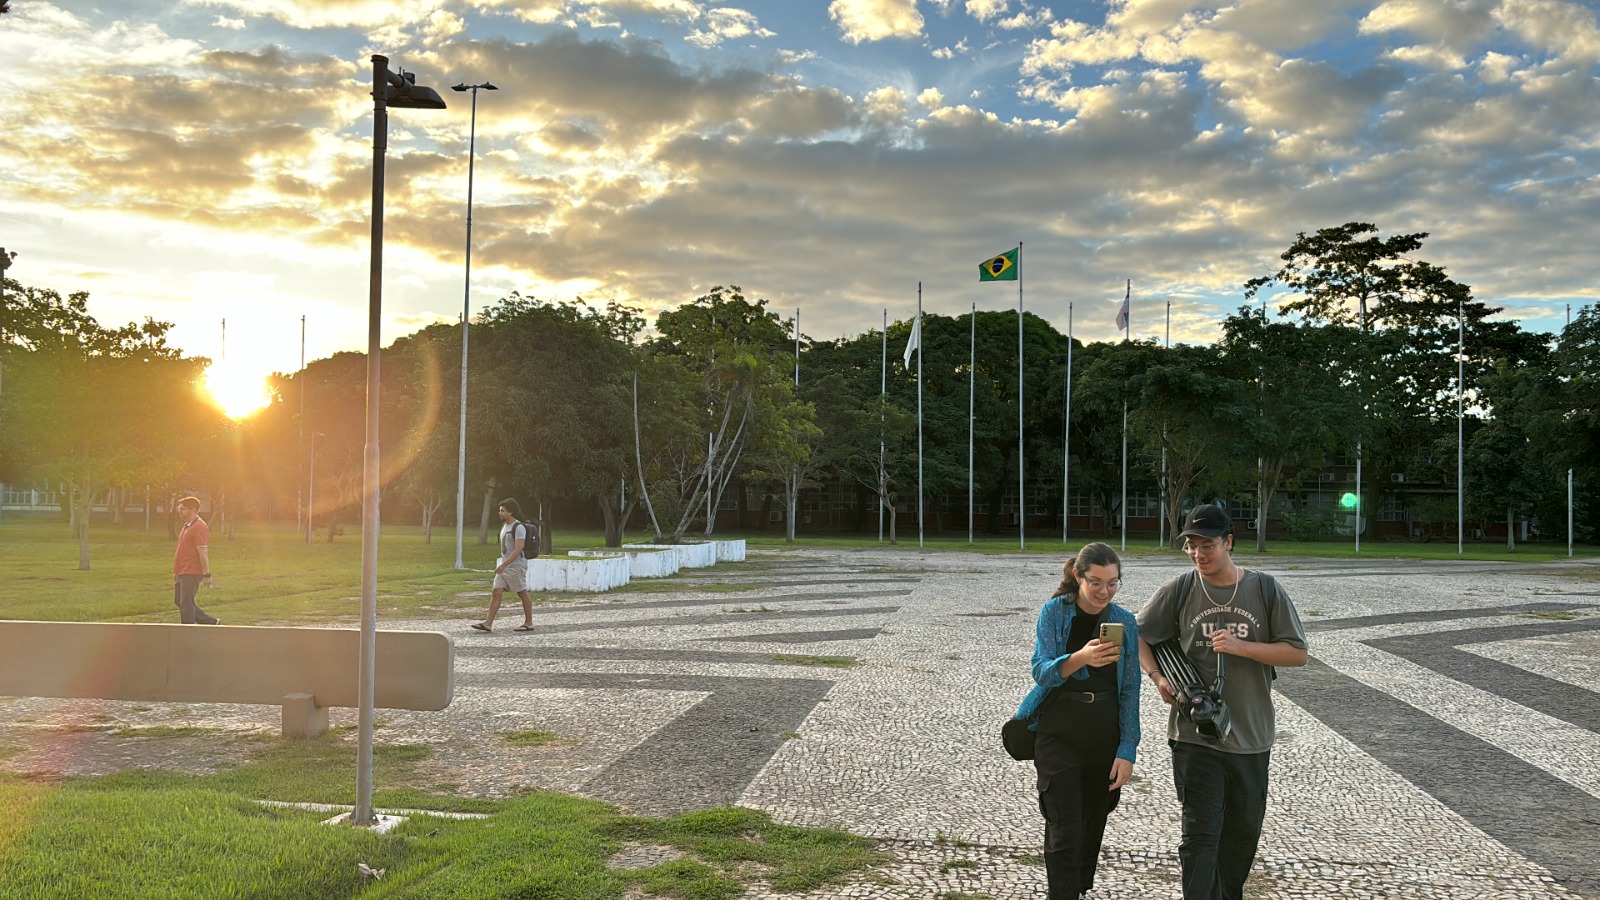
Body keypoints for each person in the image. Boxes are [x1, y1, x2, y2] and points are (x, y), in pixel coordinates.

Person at [1136, 504, 1309, 900]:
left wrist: (1241, 646)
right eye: (1191, 546)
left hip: (1251, 737)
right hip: (1195, 737)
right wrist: (1158, 676)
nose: (1199, 554)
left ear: (1229, 542)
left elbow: (1297, 653)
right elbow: (1137, 633)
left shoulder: (1265, 589)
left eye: (1207, 545)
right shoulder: (1180, 588)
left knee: (1240, 839)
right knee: (1199, 838)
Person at [1014, 541, 1141, 899]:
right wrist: (1082, 657)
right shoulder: (1055, 612)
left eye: (1113, 582)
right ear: (1078, 576)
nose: (1105, 591)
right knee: (1063, 826)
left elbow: (1131, 688)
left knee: (1091, 825)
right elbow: (1042, 671)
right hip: (1059, 729)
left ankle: (1077, 890)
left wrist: (1127, 748)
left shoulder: (1125, 622)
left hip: (1103, 731)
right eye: (1097, 582)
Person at [472, 498, 534, 633]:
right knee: (496, 592)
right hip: (505, 565)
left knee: (522, 593)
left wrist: (503, 565)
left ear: (511, 512)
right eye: (499, 510)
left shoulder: (519, 527)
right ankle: (488, 624)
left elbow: (518, 550)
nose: (500, 513)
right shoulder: (505, 526)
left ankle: (529, 623)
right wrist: (503, 564)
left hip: (516, 565)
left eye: (503, 511)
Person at [172, 496, 220, 625]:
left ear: (192, 510)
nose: (179, 511)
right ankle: (211, 622)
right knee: (179, 600)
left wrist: (206, 575)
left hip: (191, 571)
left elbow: (203, 552)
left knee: (186, 604)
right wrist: (176, 573)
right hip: (182, 571)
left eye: (183, 509)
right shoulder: (187, 526)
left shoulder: (199, 526)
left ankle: (187, 632)